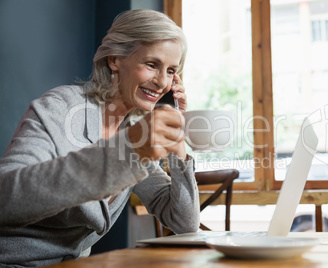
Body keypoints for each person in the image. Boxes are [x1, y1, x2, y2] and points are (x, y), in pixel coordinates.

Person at [0, 9, 200, 267]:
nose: (162, 82)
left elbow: (184, 221)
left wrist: (177, 140)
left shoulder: (133, 134)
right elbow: (6, 199)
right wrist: (128, 150)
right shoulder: (60, 107)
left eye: (171, 71)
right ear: (115, 59)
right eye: (152, 64)